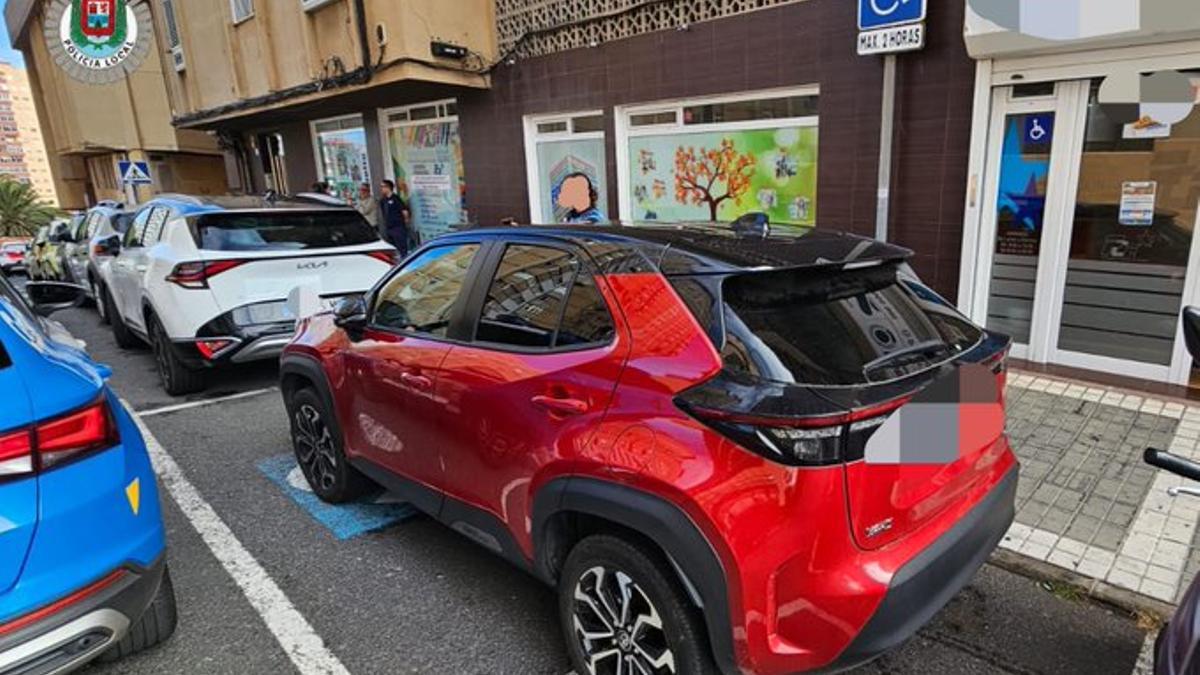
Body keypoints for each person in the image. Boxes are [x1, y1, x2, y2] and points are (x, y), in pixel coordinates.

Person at [379, 179, 411, 255]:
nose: (381, 189)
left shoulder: (396, 198)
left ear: (388, 187)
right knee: (392, 249)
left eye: (383, 186)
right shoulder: (383, 200)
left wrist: (406, 222)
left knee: (402, 247)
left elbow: (404, 211)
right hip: (389, 228)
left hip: (398, 227)